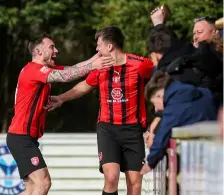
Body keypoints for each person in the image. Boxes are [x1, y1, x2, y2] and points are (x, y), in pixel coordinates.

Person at [46, 26, 155, 195]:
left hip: (133, 130)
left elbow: (160, 81)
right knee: (111, 178)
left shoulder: (140, 64)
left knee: (135, 184)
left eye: (99, 45)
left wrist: (156, 121)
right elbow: (84, 86)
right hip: (108, 129)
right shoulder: (100, 67)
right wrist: (61, 98)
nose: (96, 49)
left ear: (109, 47)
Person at [6, 33, 115, 195]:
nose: (56, 51)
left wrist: (96, 57)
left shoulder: (42, 69)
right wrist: (94, 66)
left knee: (32, 188)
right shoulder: (34, 70)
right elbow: (65, 77)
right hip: (21, 137)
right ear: (38, 51)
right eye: (51, 47)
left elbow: (73, 69)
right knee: (43, 183)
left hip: (23, 137)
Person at [140, 71, 217, 174]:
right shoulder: (187, 91)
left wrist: (150, 163)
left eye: (155, 103)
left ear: (159, 96)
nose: (156, 109)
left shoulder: (174, 105)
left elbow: (163, 132)